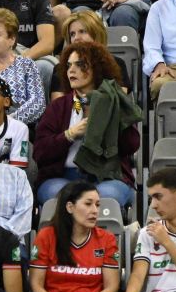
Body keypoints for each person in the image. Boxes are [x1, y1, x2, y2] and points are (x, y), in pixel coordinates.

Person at [33, 42, 142, 212]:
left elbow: (131, 145)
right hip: (63, 177)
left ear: (97, 68)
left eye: (80, 65)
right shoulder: (59, 106)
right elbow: (40, 152)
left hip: (107, 176)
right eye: (68, 65)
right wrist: (68, 135)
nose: (71, 70)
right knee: (59, 196)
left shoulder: (114, 101)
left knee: (104, 197)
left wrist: (111, 120)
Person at [28, 181, 121, 292]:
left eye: (97, 205)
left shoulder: (106, 239)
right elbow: (36, 285)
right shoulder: (46, 236)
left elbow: (112, 288)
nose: (95, 211)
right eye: (88, 204)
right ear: (70, 207)